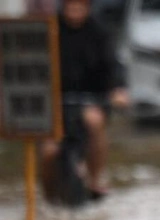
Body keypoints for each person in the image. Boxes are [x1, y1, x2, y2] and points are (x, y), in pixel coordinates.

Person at [40, 0, 129, 202]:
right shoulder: (49, 30)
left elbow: (113, 65)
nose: (74, 12)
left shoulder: (100, 32)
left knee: (94, 121)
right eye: (71, 7)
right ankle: (47, 198)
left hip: (90, 101)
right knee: (48, 152)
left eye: (79, 7)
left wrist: (118, 90)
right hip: (52, 106)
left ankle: (95, 178)